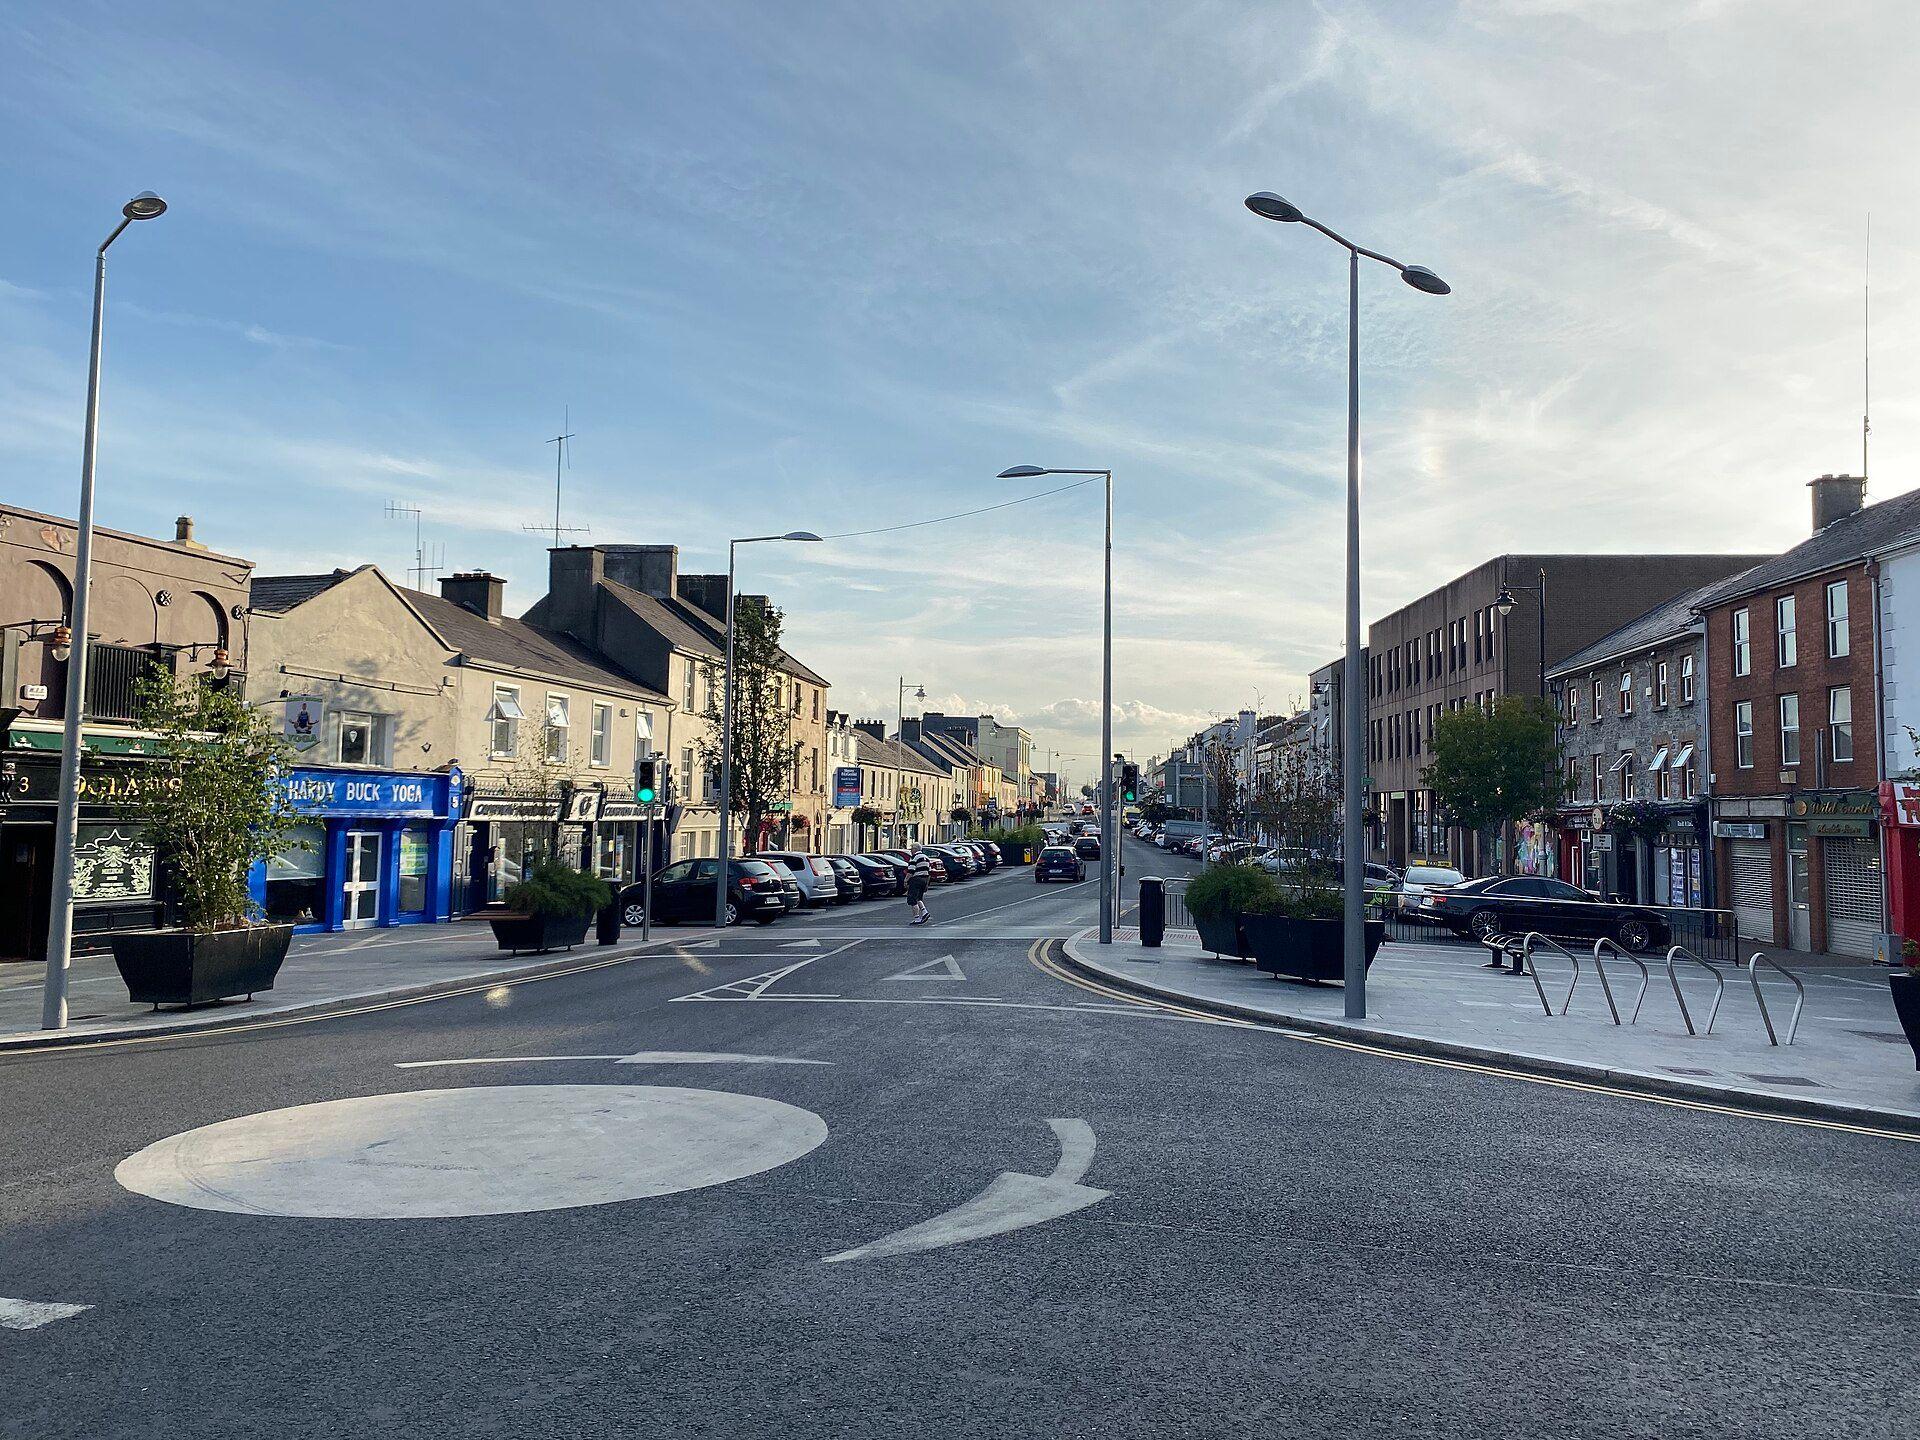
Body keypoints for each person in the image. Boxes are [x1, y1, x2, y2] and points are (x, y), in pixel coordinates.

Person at [905, 843, 932, 926]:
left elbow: (911, 871)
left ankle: (917, 918)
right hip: (924, 879)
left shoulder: (914, 857)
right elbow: (929, 871)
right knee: (919, 898)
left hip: (916, 879)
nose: (910, 850)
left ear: (915, 849)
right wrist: (927, 883)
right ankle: (924, 912)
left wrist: (906, 880)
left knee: (912, 899)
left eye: (911, 849)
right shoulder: (926, 858)